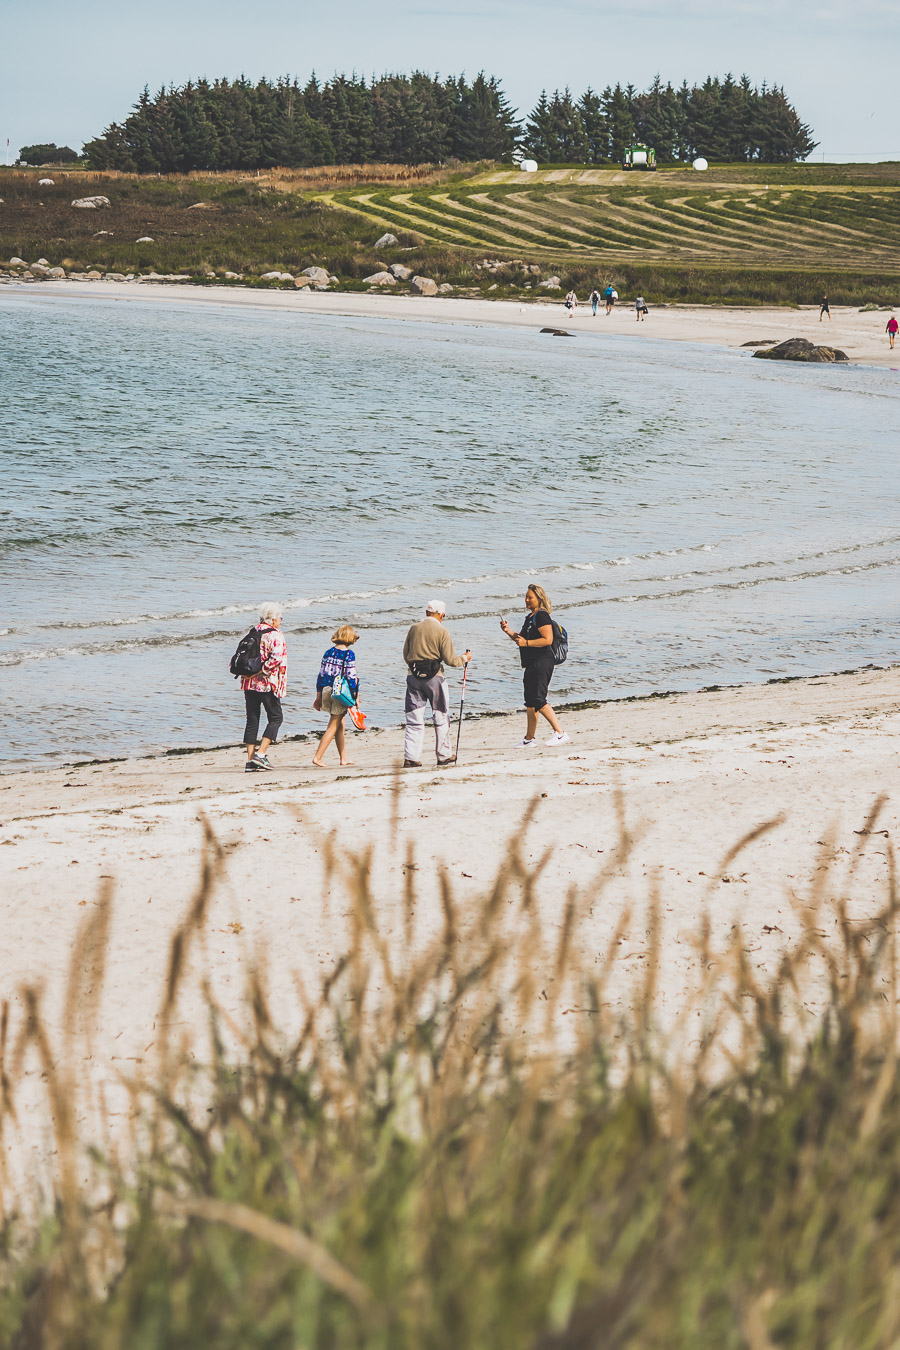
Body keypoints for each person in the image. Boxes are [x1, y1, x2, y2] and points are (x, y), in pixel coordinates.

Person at [402, 600, 471, 768]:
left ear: (426, 613)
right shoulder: (442, 631)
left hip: (413, 677)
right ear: (442, 615)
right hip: (435, 679)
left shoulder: (414, 628)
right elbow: (450, 660)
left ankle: (411, 757)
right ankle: (444, 755)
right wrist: (464, 658)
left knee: (414, 719)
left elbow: (406, 655)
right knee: (440, 717)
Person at [500, 585, 568, 748]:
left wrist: (527, 642)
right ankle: (529, 739)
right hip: (531, 663)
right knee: (530, 702)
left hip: (543, 661)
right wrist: (508, 631)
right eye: (526, 597)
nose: (527, 600)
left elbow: (548, 639)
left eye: (530, 597)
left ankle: (560, 733)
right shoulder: (530, 617)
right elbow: (520, 639)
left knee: (538, 699)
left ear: (539, 599)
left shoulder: (542, 616)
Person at [241, 602, 287, 772]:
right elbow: (277, 658)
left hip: (248, 683)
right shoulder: (276, 635)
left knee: (252, 720)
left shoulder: (253, 632)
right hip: (268, 684)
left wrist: (252, 674)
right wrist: (260, 671)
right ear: (273, 619)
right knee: (276, 718)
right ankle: (260, 754)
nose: (281, 620)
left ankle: (250, 761)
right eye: (280, 617)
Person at [312, 625, 361, 768]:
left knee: (340, 725)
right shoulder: (349, 654)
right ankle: (318, 757)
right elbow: (351, 678)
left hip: (327, 690)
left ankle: (343, 757)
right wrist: (355, 698)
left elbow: (321, 675)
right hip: (340, 693)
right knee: (333, 725)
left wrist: (318, 696)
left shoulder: (328, 652)